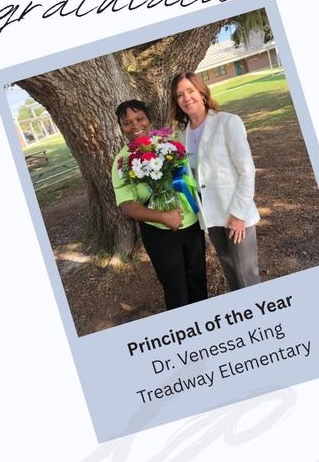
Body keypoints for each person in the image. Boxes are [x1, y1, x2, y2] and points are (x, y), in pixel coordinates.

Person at [111, 99, 207, 310]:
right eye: (127, 123)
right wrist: (164, 217)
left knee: (198, 282)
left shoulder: (169, 144)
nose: (135, 126)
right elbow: (127, 205)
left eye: (140, 119)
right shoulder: (122, 161)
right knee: (177, 292)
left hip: (191, 225)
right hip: (159, 234)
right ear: (121, 127)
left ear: (149, 119)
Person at [170, 72, 261, 291]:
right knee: (230, 271)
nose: (186, 98)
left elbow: (247, 171)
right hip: (210, 215)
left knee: (246, 275)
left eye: (190, 91)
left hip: (235, 214)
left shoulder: (227, 122)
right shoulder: (181, 133)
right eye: (179, 95)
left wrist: (239, 215)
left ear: (201, 92)